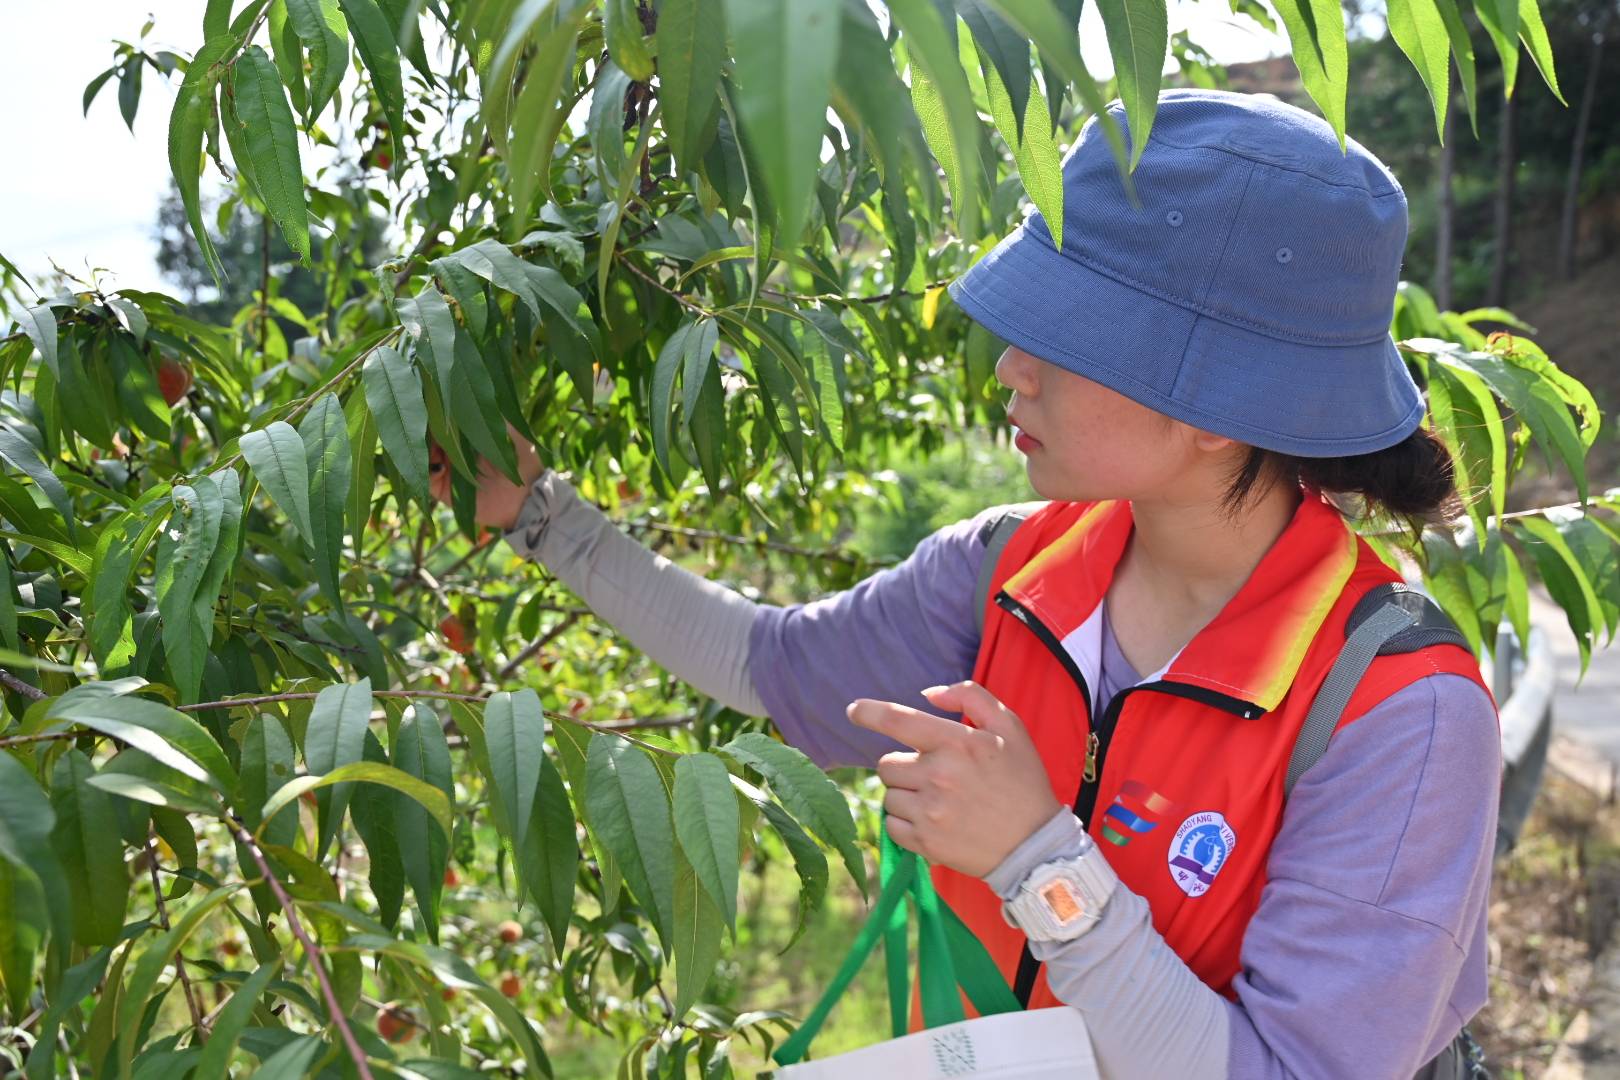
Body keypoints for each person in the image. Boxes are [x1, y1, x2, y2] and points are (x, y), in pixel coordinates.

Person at [430, 89, 1500, 1079]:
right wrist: (538, 514)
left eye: (1066, 340)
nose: (1010, 369)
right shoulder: (1018, 569)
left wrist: (1042, 865)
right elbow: (769, 664)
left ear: (1220, 409)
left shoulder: (1397, 716)